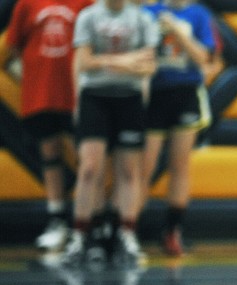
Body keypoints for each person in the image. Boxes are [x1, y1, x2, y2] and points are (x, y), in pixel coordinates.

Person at [62, 0, 160, 267]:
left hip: (129, 99)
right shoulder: (88, 17)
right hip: (95, 98)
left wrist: (105, 61)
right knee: (90, 169)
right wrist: (129, 61)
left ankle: (126, 233)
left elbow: (149, 66)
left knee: (129, 171)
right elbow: (84, 62)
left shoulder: (142, 19)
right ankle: (81, 235)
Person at [4, 0, 94, 251]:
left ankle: (87, 222)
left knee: (88, 160)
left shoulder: (86, 3)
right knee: (50, 155)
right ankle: (57, 219)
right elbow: (12, 45)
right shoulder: (26, 4)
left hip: (76, 94)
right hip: (40, 94)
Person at [139, 0, 216, 257]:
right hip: (155, 94)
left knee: (180, 165)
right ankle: (125, 230)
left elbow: (204, 58)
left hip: (185, 93)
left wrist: (178, 32)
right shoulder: (149, 12)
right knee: (144, 167)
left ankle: (173, 230)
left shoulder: (198, 14)